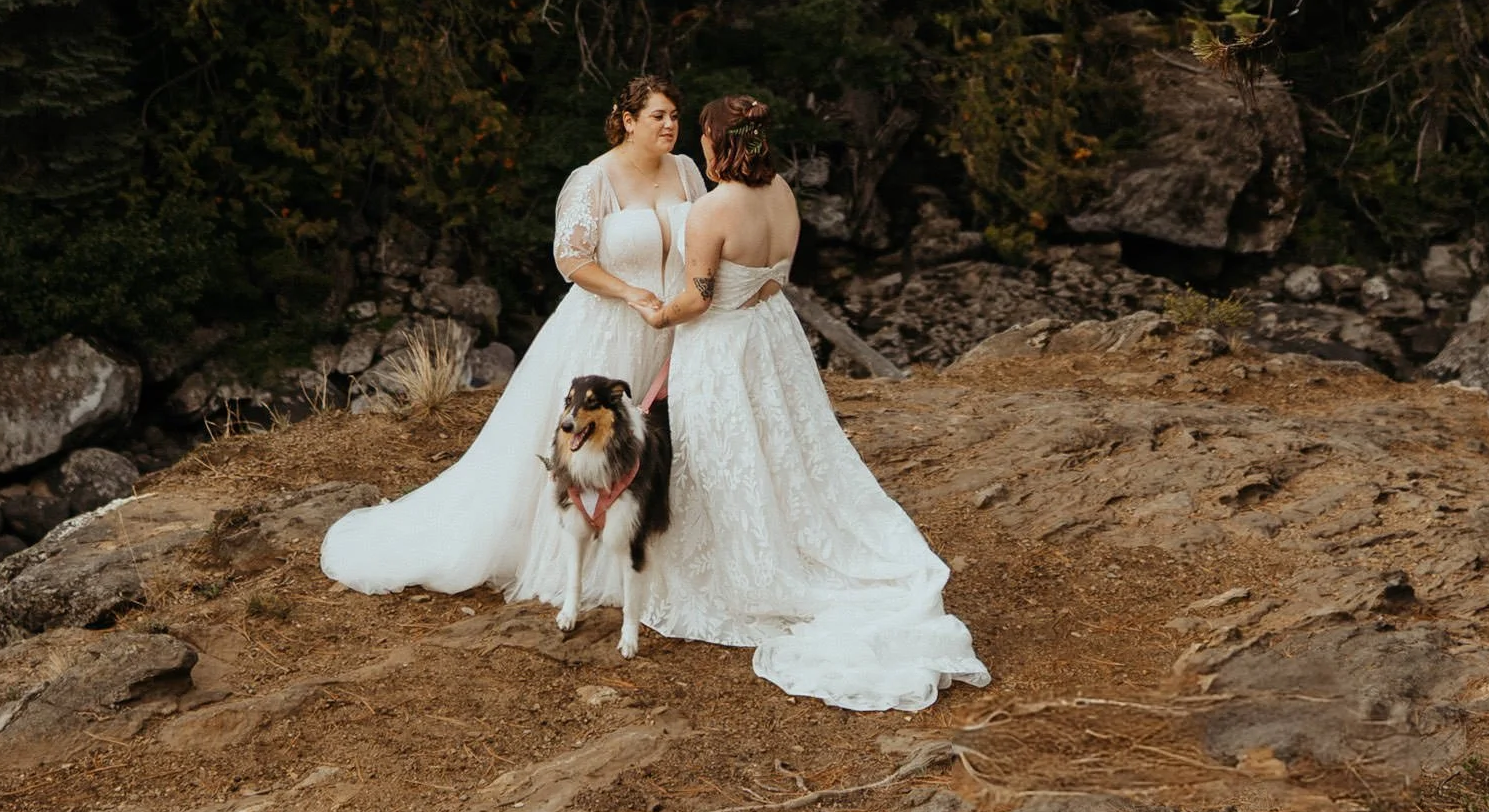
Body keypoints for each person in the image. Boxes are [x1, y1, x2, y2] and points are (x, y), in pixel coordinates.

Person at [640, 93, 987, 714]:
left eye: (705, 136)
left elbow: (696, 299)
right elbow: (778, 278)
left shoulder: (711, 210)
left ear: (721, 142)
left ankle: (744, 560)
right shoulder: (781, 194)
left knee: (725, 451)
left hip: (722, 344)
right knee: (783, 443)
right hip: (772, 333)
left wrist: (658, 314)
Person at [318, 73, 705, 609]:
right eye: (659, 116)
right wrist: (631, 293)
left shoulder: (687, 170)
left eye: (675, 116)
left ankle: (655, 540)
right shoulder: (593, 179)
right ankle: (581, 559)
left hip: (675, 325)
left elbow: (704, 243)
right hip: (612, 326)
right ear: (627, 120)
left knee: (665, 442)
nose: (670, 125)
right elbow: (571, 260)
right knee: (594, 448)